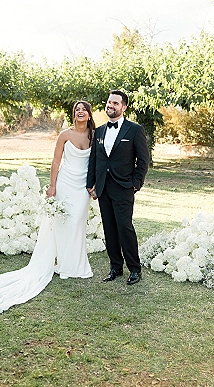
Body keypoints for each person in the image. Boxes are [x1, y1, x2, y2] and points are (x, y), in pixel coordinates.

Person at [0, 101, 95, 313]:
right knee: (64, 224)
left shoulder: (95, 135)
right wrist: (52, 185)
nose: (80, 112)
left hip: (83, 186)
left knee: (78, 223)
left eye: (83, 109)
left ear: (89, 114)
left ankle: (77, 264)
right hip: (66, 183)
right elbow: (56, 161)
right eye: (77, 110)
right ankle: (66, 266)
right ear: (73, 114)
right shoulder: (64, 135)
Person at [86, 90, 149, 285]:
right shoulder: (100, 131)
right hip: (104, 187)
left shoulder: (134, 129)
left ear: (124, 107)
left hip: (124, 188)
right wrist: (90, 184)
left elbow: (144, 161)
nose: (110, 106)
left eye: (115, 103)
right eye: (109, 102)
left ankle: (134, 269)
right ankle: (115, 267)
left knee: (124, 227)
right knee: (109, 229)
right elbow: (94, 160)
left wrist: (135, 184)